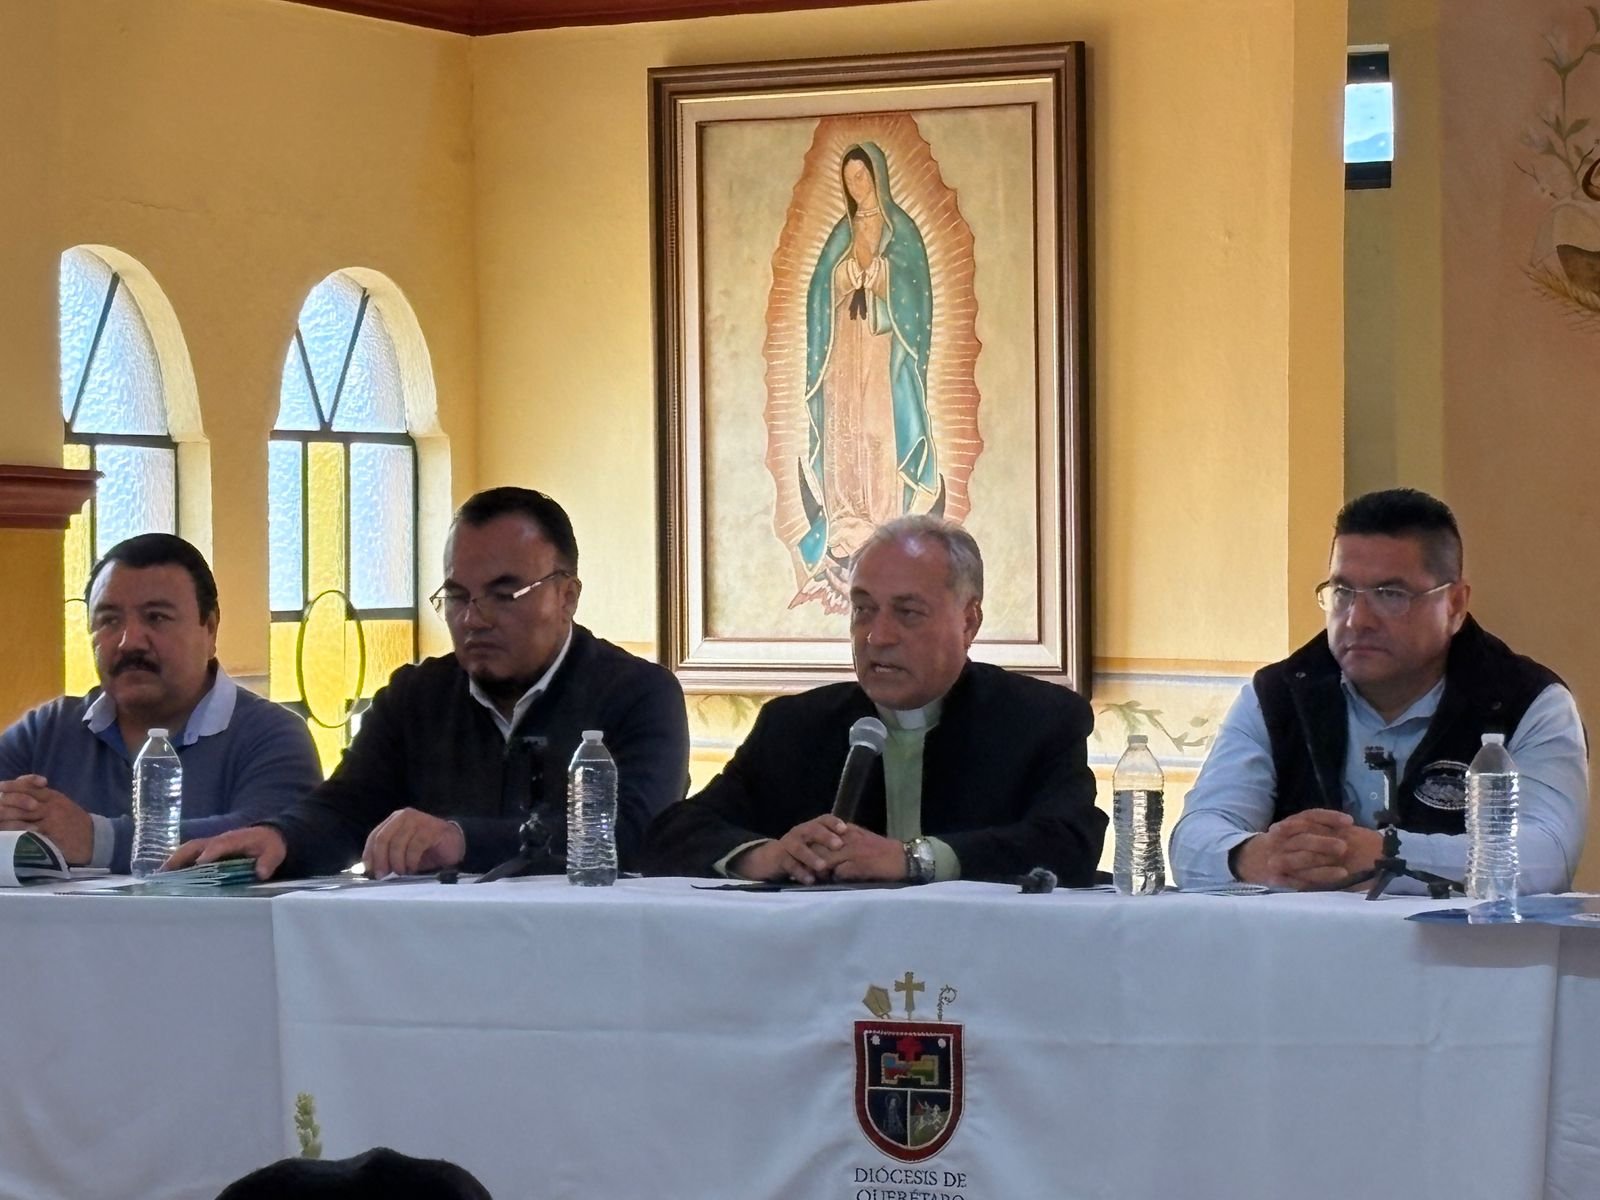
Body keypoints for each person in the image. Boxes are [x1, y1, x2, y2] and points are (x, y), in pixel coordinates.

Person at [169, 487, 690, 880]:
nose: (474, 619)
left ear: (567, 596)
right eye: (457, 596)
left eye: (504, 594)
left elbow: (632, 832)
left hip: (587, 950)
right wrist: (280, 838)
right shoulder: (416, 697)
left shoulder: (638, 695)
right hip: (429, 951)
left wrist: (460, 839)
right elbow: (346, 809)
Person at [642, 515, 1105, 885]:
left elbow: (1070, 843)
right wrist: (767, 855)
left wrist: (913, 859)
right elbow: (674, 833)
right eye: (863, 609)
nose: (877, 636)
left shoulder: (1039, 719)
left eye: (908, 613)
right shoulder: (795, 725)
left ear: (969, 622)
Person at [1170, 488, 1588, 893]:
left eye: (1390, 594)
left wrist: (1388, 856)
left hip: (1457, 943)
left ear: (1455, 605)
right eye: (1342, 593)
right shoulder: (1278, 695)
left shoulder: (1528, 703)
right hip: (1300, 942)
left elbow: (1546, 856)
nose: (1357, 620)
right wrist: (1252, 856)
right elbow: (1193, 838)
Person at [0, 533, 321, 873]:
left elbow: (266, 837)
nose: (129, 642)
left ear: (210, 629)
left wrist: (98, 840)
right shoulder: (47, 732)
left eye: (156, 617)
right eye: (109, 620)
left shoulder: (273, 736)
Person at [798, 141, 940, 595]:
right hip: (844, 347)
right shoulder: (841, 234)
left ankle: (882, 520)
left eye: (862, 177)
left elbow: (916, 293)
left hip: (882, 346)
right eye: (849, 180)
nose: (857, 187)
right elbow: (819, 291)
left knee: (878, 427)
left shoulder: (903, 232)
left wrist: (881, 276)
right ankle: (845, 519)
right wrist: (843, 278)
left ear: (877, 176)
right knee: (847, 429)